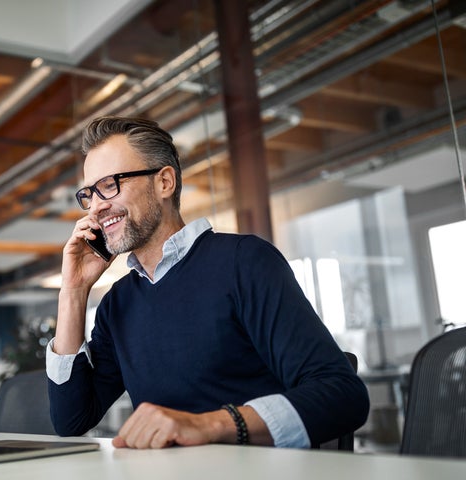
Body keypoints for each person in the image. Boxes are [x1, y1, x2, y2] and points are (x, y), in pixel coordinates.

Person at [46, 116, 369, 449]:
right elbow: (72, 420)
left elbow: (342, 395)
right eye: (89, 194)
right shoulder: (118, 304)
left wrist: (209, 425)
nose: (97, 207)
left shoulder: (244, 262)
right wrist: (73, 292)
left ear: (164, 183)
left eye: (110, 184)